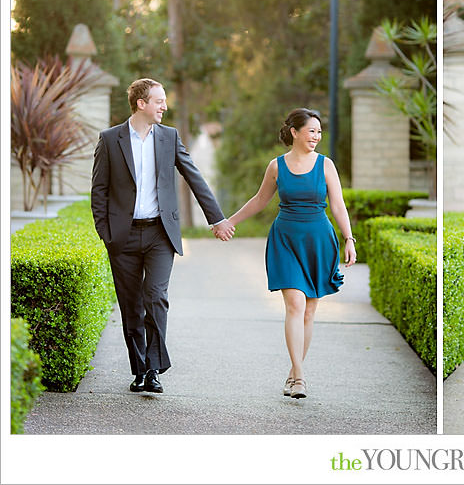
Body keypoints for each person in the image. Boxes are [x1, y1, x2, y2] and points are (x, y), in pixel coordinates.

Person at [91, 78, 235, 394]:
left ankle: (154, 369)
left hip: (159, 233)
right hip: (123, 237)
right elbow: (99, 190)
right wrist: (106, 233)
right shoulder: (110, 139)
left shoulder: (168, 137)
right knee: (131, 305)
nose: (164, 106)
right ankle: (139, 371)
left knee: (154, 297)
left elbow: (193, 176)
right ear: (141, 103)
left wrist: (217, 219)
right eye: (159, 100)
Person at [226, 108, 356, 399]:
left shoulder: (326, 165)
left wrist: (349, 238)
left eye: (319, 132)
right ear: (295, 132)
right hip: (285, 240)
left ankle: (293, 372)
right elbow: (260, 200)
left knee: (309, 311)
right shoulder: (276, 166)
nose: (316, 136)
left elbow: (338, 205)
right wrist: (230, 221)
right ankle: (299, 378)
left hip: (318, 241)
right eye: (311, 131)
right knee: (295, 305)